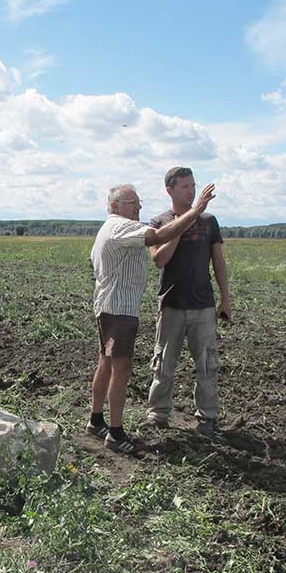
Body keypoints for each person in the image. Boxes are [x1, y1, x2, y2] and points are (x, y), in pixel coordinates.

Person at [89, 182, 215, 454]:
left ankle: (96, 420)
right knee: (120, 369)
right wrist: (194, 212)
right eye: (133, 203)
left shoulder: (108, 227)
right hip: (119, 310)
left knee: (106, 364)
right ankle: (116, 432)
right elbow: (157, 237)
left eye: (139, 202)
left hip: (108, 307)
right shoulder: (120, 227)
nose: (139, 207)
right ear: (115, 206)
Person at [145, 166, 231, 436]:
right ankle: (158, 414)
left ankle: (207, 417)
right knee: (164, 364)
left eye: (193, 185)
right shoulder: (158, 223)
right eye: (185, 187)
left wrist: (225, 300)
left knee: (206, 364)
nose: (192, 191)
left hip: (203, 306)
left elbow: (218, 261)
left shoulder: (209, 221)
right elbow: (159, 260)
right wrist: (182, 225)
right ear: (170, 190)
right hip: (171, 305)